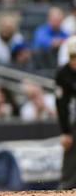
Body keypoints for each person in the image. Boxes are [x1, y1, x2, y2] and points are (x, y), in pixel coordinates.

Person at [56, 36, 76, 189]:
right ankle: (66, 186)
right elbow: (61, 103)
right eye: (72, 57)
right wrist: (65, 131)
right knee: (70, 145)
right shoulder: (63, 74)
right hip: (73, 115)